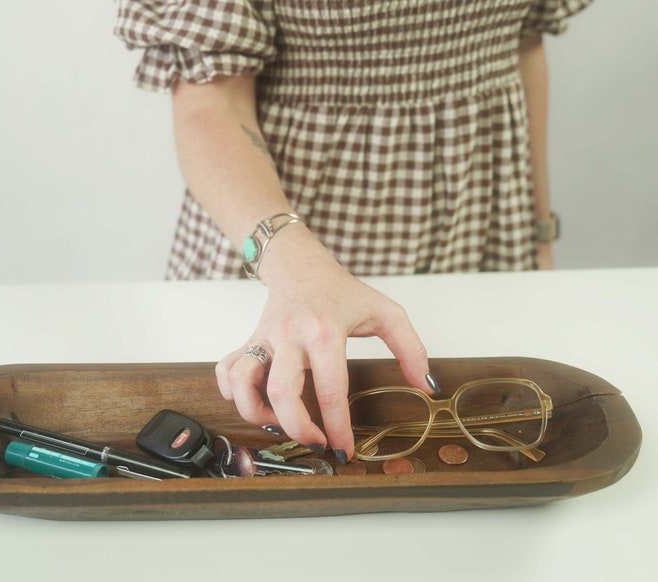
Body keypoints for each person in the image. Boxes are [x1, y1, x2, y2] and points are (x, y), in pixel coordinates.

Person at [114, 0, 593, 464]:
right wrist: (296, 272)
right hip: (282, 239)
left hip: (480, 224)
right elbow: (208, 99)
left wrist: (538, 234)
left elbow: (523, 46)